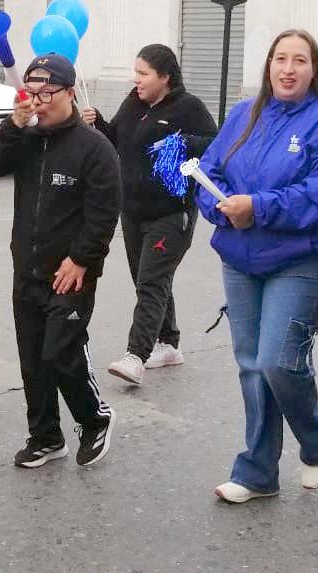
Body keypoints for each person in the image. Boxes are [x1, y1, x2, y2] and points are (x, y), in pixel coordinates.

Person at [194, 29, 318, 504]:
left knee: (278, 362)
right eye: (280, 58)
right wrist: (220, 207)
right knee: (251, 366)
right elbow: (209, 171)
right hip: (240, 258)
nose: (288, 68)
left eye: (299, 60)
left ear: (313, 70)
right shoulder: (244, 114)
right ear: (268, 66)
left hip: (298, 260)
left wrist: (257, 208)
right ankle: (257, 471)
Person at [0, 54, 121, 468]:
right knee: (32, 358)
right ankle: (45, 436)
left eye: (46, 93)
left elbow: (104, 212)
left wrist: (81, 259)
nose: (37, 102)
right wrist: (13, 124)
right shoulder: (27, 137)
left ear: (69, 93)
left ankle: (94, 419)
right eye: (30, 93)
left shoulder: (94, 147)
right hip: (27, 267)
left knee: (60, 350)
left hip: (71, 273)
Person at [80, 44, 218, 385]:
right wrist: (97, 123)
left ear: (165, 77)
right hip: (132, 211)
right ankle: (168, 343)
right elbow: (116, 140)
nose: (136, 80)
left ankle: (136, 355)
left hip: (171, 213)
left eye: (143, 74)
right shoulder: (133, 103)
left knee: (151, 282)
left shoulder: (189, 107)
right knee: (148, 280)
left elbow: (217, 144)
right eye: (135, 72)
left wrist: (183, 142)